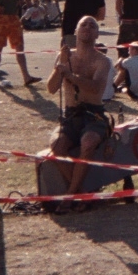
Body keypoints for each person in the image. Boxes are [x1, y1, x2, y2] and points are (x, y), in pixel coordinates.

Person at [46, 17, 111, 204]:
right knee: (57, 145)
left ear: (97, 34)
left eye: (92, 26)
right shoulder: (65, 56)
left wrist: (71, 76)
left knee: (88, 142)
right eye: (83, 24)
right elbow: (51, 88)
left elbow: (95, 88)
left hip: (93, 115)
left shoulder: (103, 60)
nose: (87, 28)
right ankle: (80, 193)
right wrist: (61, 69)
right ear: (75, 31)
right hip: (71, 115)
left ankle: (70, 195)